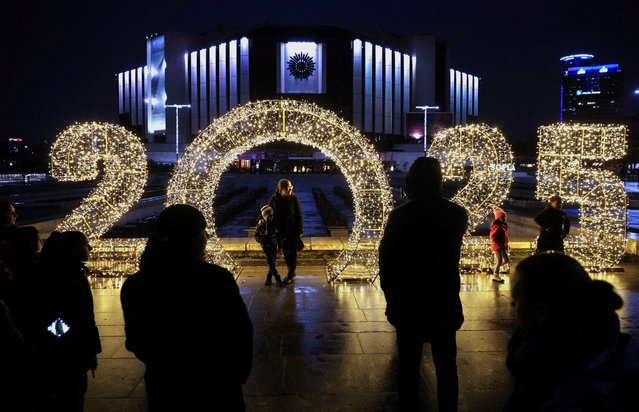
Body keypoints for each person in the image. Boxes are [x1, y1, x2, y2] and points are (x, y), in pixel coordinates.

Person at [120, 204, 253, 411]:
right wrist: (237, 374)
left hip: (165, 385)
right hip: (216, 384)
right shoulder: (216, 279)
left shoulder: (136, 284)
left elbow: (137, 341)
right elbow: (240, 332)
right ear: (197, 238)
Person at [379, 156, 468, 412]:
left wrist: (391, 298)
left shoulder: (401, 216)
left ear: (411, 181)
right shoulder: (456, 214)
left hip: (409, 300)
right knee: (446, 366)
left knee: (408, 366)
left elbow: (386, 260)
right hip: (443, 297)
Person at [504, 253, 639, 411]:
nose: (513, 304)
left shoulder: (576, 382)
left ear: (541, 307)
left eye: (517, 297)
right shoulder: (609, 345)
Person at [30, 230, 101, 412]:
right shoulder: (68, 278)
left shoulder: (61, 273)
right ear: (75, 250)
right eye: (86, 244)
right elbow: (63, 317)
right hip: (69, 354)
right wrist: (67, 343)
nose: (90, 248)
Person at [268, 178, 303, 285]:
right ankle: (291, 272)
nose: (290, 190)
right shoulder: (274, 199)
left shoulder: (294, 198)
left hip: (293, 230)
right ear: (281, 189)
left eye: (291, 188)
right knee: (286, 253)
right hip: (280, 231)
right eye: (288, 188)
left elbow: (299, 214)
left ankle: (290, 274)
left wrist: (300, 229)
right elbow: (268, 212)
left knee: (292, 253)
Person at [254, 204, 282, 286]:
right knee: (271, 264)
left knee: (272, 263)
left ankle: (268, 278)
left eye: (272, 214)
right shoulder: (261, 224)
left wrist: (280, 247)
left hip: (273, 246)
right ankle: (278, 278)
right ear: (265, 216)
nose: (271, 216)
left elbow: (278, 235)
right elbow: (256, 235)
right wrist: (261, 240)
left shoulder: (274, 223)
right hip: (266, 247)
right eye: (269, 215)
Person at [489, 205, 509, 283]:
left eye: (505, 217)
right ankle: (496, 275)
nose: (504, 218)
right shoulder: (497, 226)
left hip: (502, 246)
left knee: (506, 260)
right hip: (497, 246)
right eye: (502, 217)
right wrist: (498, 244)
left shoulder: (504, 225)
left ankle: (494, 268)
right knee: (499, 261)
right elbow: (492, 237)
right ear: (498, 218)